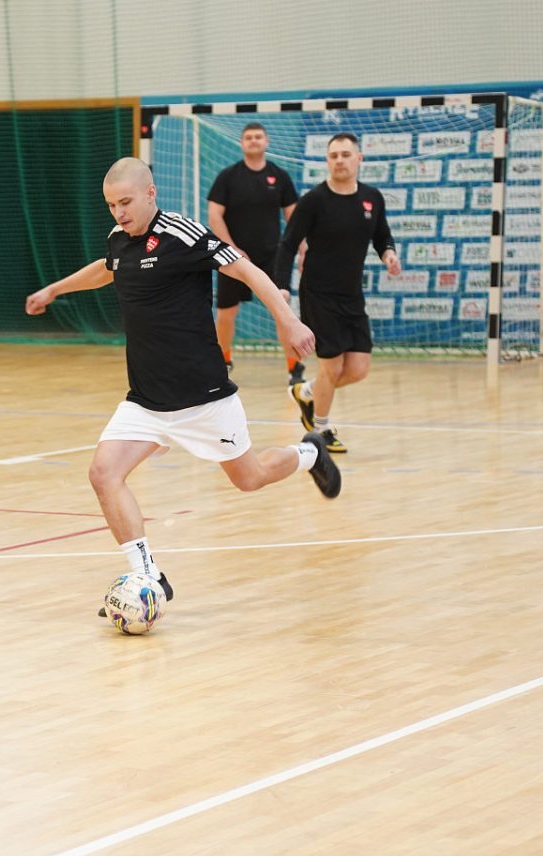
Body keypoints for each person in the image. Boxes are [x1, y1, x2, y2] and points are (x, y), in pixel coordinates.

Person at [25, 157, 339, 607]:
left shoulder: (182, 234)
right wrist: (54, 290)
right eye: (111, 205)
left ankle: (309, 453)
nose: (119, 212)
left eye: (126, 202)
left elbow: (245, 268)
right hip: (146, 401)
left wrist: (288, 320)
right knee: (103, 473)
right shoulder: (119, 239)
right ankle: (148, 575)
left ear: (151, 193)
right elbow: (106, 267)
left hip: (203, 398)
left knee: (249, 478)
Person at [273, 132, 402, 454]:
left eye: (346, 154)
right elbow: (288, 244)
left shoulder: (372, 198)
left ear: (359, 158)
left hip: (352, 296)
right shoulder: (314, 200)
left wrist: (388, 254)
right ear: (327, 161)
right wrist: (282, 286)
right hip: (319, 295)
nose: (340, 160)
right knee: (331, 368)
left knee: (358, 369)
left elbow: (382, 235)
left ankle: (306, 392)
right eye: (333, 156)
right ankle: (321, 430)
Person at [205, 123, 297, 382]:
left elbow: (294, 218)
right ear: (242, 143)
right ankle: (223, 362)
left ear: (266, 141)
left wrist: (302, 250)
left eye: (258, 137)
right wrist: (231, 248)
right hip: (234, 259)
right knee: (226, 313)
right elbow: (214, 215)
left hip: (272, 257)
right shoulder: (228, 177)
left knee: (282, 308)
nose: (253, 140)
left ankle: (295, 368)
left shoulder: (280, 176)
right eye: (248, 137)